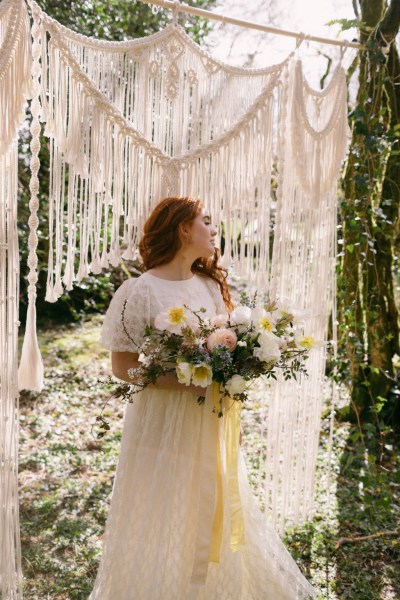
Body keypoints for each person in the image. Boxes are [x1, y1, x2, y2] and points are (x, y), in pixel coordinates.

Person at [89, 196, 316, 599]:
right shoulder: (138, 291)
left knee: (211, 509)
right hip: (159, 421)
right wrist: (182, 378)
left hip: (211, 419)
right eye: (205, 221)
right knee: (161, 510)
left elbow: (228, 357)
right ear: (183, 229)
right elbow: (121, 366)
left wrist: (231, 394)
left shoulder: (210, 286)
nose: (213, 230)